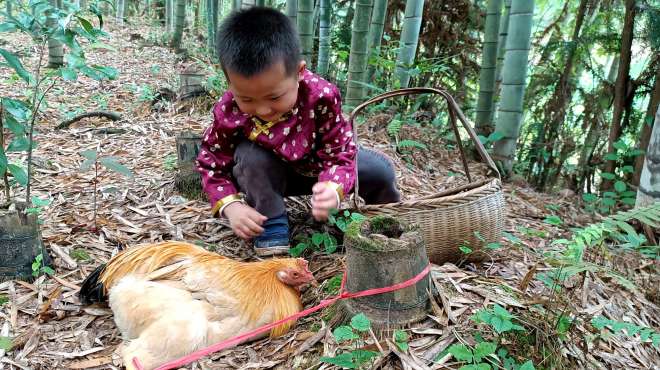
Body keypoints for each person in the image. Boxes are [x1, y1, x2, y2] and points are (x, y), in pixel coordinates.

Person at [196, 7, 400, 256]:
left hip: (319, 170)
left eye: (274, 96)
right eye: (247, 99)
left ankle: (390, 221)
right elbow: (211, 162)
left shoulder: (321, 97)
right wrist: (232, 206)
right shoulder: (228, 109)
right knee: (250, 156)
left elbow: (340, 151)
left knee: (380, 171)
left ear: (299, 73)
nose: (262, 109)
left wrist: (334, 187)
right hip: (268, 177)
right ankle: (271, 223)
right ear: (230, 83)